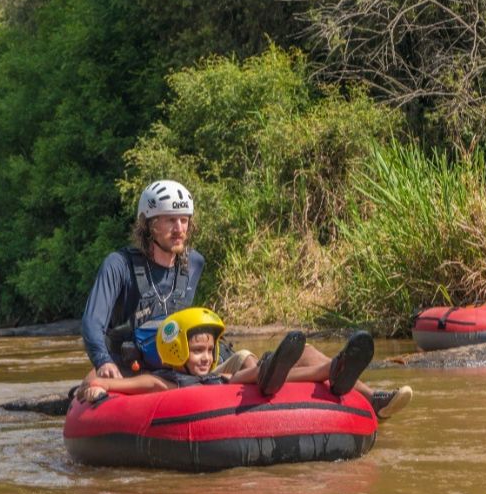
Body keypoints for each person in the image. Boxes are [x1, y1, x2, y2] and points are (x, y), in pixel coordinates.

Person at [80, 180, 412, 420]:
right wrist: (102, 361)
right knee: (91, 385)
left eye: (184, 220)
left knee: (290, 353)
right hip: (144, 366)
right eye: (169, 220)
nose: (179, 228)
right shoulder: (119, 265)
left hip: (194, 361)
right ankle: (289, 376)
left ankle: (373, 398)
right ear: (149, 225)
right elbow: (93, 323)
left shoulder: (193, 263)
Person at [75, 307, 374, 402]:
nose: (206, 357)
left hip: (224, 385)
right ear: (176, 350)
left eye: (209, 350)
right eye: (197, 352)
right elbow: (134, 385)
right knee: (249, 375)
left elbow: (227, 376)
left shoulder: (214, 373)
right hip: (209, 393)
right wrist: (99, 385)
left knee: (250, 373)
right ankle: (278, 372)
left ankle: (331, 369)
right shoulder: (169, 380)